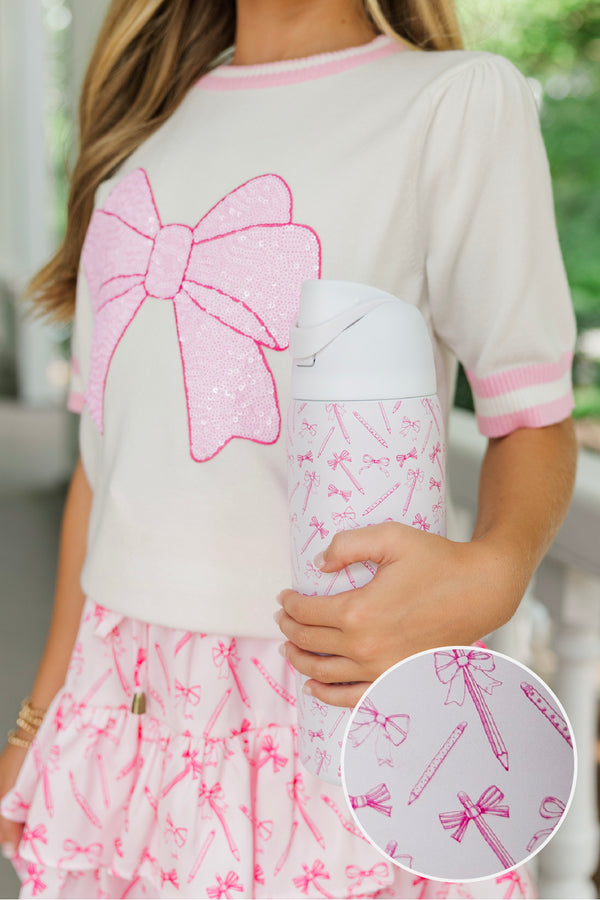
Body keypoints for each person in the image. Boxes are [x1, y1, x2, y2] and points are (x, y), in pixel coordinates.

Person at [0, 0, 577, 897]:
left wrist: (496, 571)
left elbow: (531, 413)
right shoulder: (139, 137)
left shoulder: (454, 102)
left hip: (334, 711)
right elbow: (102, 473)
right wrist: (38, 722)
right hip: (120, 725)